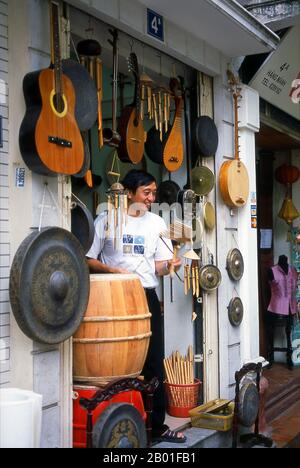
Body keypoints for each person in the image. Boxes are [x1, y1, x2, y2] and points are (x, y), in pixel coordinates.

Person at [86, 170, 186, 443]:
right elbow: (87, 259)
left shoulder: (156, 223)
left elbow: (159, 267)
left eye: (154, 193)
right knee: (117, 364)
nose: (152, 198)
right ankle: (120, 426)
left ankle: (157, 426)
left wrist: (170, 266)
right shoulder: (106, 220)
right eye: (147, 192)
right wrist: (111, 270)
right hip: (114, 296)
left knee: (153, 362)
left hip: (146, 296)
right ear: (129, 193)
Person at [266, 255, 298, 370]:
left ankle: (289, 358)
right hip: (275, 308)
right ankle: (271, 357)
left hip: (291, 307)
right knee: (271, 332)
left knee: (289, 333)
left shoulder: (293, 270)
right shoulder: (272, 270)